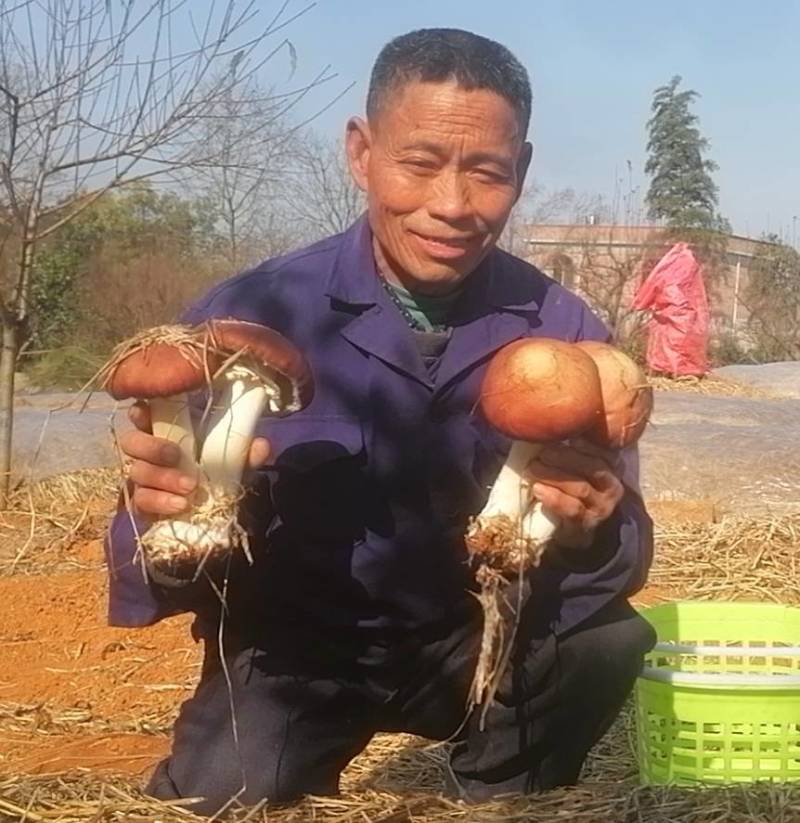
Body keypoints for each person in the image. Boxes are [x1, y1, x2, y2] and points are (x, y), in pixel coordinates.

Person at [107, 28, 655, 816]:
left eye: (487, 172)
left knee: (608, 642)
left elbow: (620, 555)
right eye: (420, 162)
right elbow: (155, 552)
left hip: (474, 642)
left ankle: (499, 791)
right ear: (361, 153)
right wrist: (155, 524)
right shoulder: (249, 315)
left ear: (522, 173)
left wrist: (598, 527)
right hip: (300, 649)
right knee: (224, 794)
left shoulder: (563, 328)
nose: (452, 205)